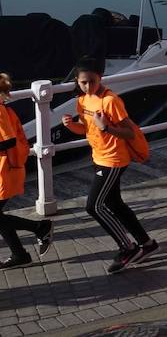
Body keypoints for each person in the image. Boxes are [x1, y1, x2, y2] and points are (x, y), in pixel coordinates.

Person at [59, 56, 157, 273]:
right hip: (98, 156)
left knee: (93, 206)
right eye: (83, 82)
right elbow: (86, 129)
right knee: (115, 204)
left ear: (100, 78)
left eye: (92, 81)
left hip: (113, 159)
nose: (88, 86)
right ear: (77, 81)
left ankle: (127, 247)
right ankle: (147, 243)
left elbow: (129, 132)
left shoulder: (110, 101)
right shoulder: (82, 101)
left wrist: (106, 129)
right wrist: (71, 125)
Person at [0, 72, 52, 269]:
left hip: (6, 169)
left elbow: (8, 141)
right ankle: (20, 252)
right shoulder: (4, 109)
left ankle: (40, 228)